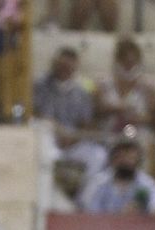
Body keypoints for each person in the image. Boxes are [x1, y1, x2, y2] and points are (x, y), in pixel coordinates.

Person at [35, 47, 108, 184]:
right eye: (61, 66)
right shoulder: (39, 85)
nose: (64, 70)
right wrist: (57, 130)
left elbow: (85, 124)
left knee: (98, 155)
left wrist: (73, 139)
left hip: (72, 141)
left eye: (68, 67)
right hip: (49, 138)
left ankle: (83, 199)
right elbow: (35, 114)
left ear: (74, 68)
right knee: (46, 150)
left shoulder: (81, 92)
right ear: (54, 64)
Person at [78, 137, 155, 215]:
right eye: (122, 156)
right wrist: (118, 214)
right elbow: (88, 209)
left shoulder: (146, 183)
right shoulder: (99, 182)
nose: (126, 161)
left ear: (138, 159)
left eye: (131, 157)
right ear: (113, 158)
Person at [95, 38, 155, 133]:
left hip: (137, 132)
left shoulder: (148, 86)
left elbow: (152, 117)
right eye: (125, 63)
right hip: (109, 132)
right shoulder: (103, 83)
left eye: (132, 63)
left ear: (138, 62)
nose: (129, 67)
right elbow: (97, 112)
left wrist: (135, 119)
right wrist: (115, 109)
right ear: (118, 61)